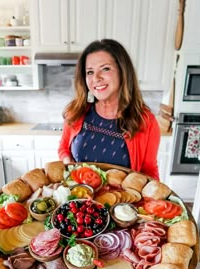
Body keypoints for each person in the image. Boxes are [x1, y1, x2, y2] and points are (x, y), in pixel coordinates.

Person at [58, 39, 161, 180]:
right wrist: (68, 164)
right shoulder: (76, 112)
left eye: (105, 69)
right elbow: (63, 148)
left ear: (123, 72)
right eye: (89, 72)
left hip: (122, 201)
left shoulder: (145, 121)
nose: (96, 78)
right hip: (80, 196)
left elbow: (149, 173)